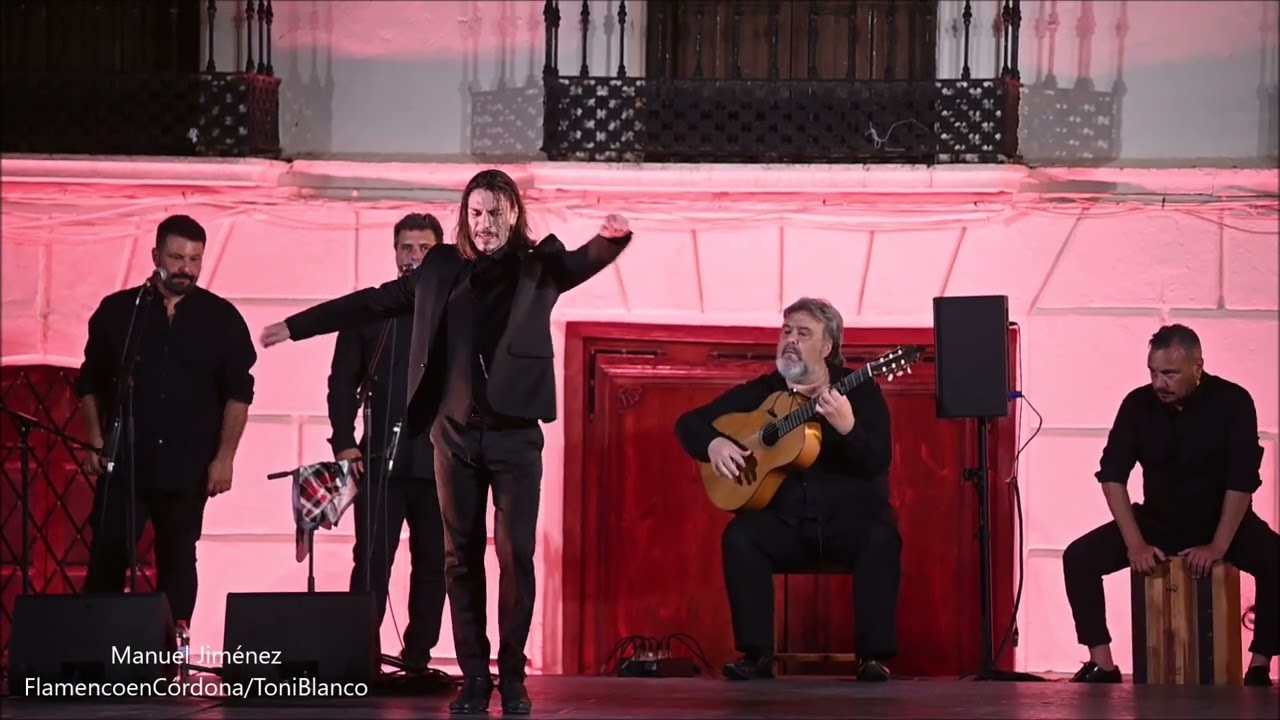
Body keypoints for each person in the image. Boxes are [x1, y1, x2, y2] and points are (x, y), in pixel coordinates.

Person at [259, 169, 632, 714]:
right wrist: (297, 326)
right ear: (465, 217)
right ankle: (475, 677)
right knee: (460, 561)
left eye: (495, 212)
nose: (485, 224)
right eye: (476, 214)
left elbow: (584, 260)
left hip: (514, 438)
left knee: (515, 556)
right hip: (453, 436)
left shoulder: (539, 265)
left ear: (513, 213)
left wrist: (612, 239)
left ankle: (514, 675)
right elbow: (369, 301)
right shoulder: (439, 270)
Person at [673, 297, 900, 682]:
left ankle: (872, 658)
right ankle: (757, 655)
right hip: (787, 525)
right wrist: (715, 444)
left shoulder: (859, 392)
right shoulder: (766, 390)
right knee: (741, 536)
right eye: (787, 331)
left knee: (882, 538)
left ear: (827, 348)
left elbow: (878, 460)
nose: (791, 340)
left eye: (803, 333)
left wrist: (848, 427)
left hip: (848, 522)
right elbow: (689, 423)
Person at [1062, 324, 1277, 687]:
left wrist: (1218, 546)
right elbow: (1112, 475)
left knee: (1276, 560)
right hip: (1158, 520)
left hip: (1221, 520)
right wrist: (1135, 543)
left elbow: (1242, 480)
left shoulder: (1233, 402)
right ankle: (1103, 665)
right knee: (1078, 558)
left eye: (1170, 373)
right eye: (1153, 372)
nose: (1159, 382)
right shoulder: (1137, 404)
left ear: (1198, 367)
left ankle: (1259, 666)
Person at [76, 214, 256, 644]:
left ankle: (170, 650)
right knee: (108, 552)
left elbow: (239, 394)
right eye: (177, 257)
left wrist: (224, 459)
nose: (186, 268)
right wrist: (95, 438)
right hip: (125, 461)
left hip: (187, 463)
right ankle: (95, 649)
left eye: (195, 259)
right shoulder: (121, 312)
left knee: (178, 557)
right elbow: (90, 381)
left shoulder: (222, 318)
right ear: (156, 256)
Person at [326, 213, 446, 674]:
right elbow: (342, 381)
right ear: (394, 252)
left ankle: (418, 657)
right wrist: (344, 441)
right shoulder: (370, 311)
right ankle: (362, 656)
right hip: (380, 460)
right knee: (371, 560)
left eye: (424, 250)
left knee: (433, 563)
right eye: (406, 248)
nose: (414, 257)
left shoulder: (456, 309)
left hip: (438, 465)